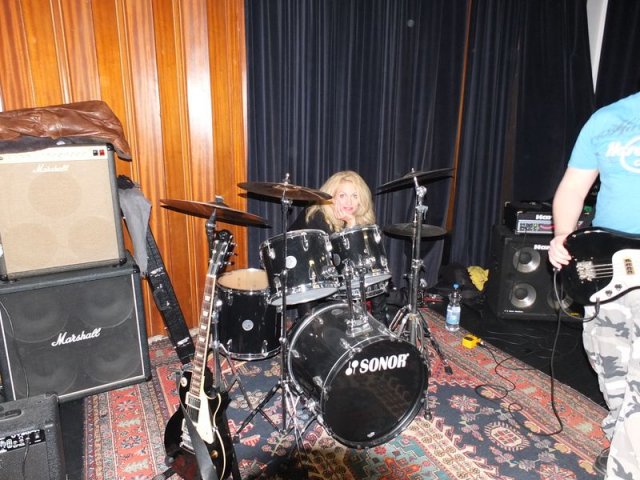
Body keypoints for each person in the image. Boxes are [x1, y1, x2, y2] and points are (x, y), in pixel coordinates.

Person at [548, 91, 640, 479]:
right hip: (607, 268)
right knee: (610, 364)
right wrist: (562, 235)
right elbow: (573, 187)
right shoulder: (608, 118)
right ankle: (621, 437)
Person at [290, 170, 390, 325]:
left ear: (361, 200)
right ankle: (309, 325)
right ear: (332, 197)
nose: (349, 202)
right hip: (303, 272)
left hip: (331, 272)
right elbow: (334, 261)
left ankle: (381, 323)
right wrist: (351, 226)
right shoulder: (318, 216)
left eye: (355, 196)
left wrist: (352, 224)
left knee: (372, 265)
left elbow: (358, 260)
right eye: (342, 195)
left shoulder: (359, 219)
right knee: (312, 279)